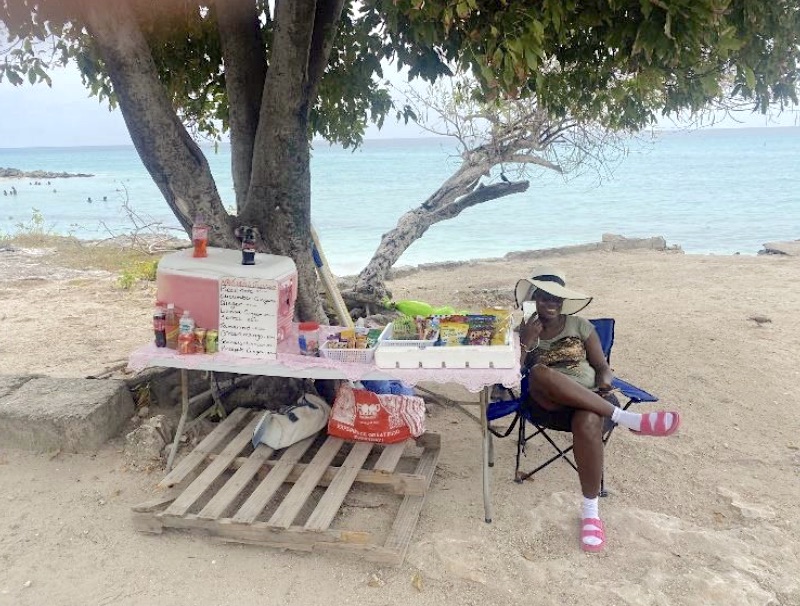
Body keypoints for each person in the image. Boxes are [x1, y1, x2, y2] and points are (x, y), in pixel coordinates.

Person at [515, 267, 680, 553]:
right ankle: (628, 419)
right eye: (545, 298)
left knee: (589, 423)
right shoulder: (523, 330)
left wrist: (604, 384)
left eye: (557, 299)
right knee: (540, 371)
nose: (551, 304)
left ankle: (591, 512)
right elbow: (512, 373)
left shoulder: (580, 326)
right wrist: (527, 340)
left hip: (592, 400)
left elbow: (603, 367)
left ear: (563, 302)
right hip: (547, 404)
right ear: (535, 299)